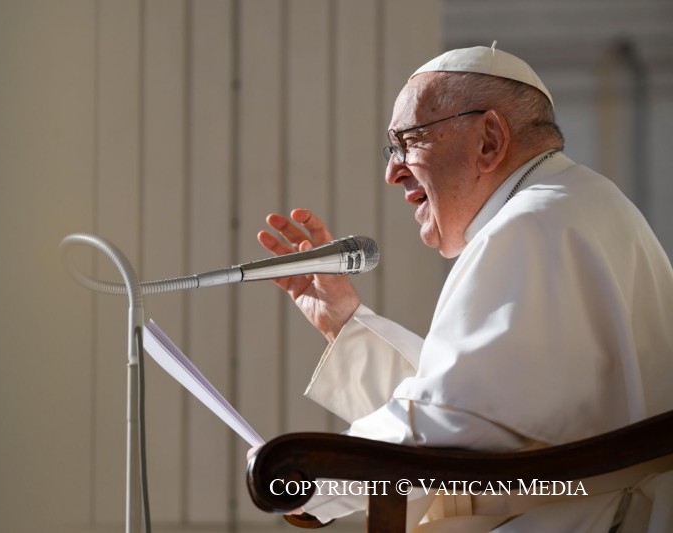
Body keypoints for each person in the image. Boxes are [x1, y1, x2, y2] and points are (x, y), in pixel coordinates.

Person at [254, 43, 673, 531]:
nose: (392, 172)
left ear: (489, 140)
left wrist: (306, 476)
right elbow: (480, 406)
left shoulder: (530, 225)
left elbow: (456, 431)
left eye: (406, 142)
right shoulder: (575, 202)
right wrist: (347, 323)